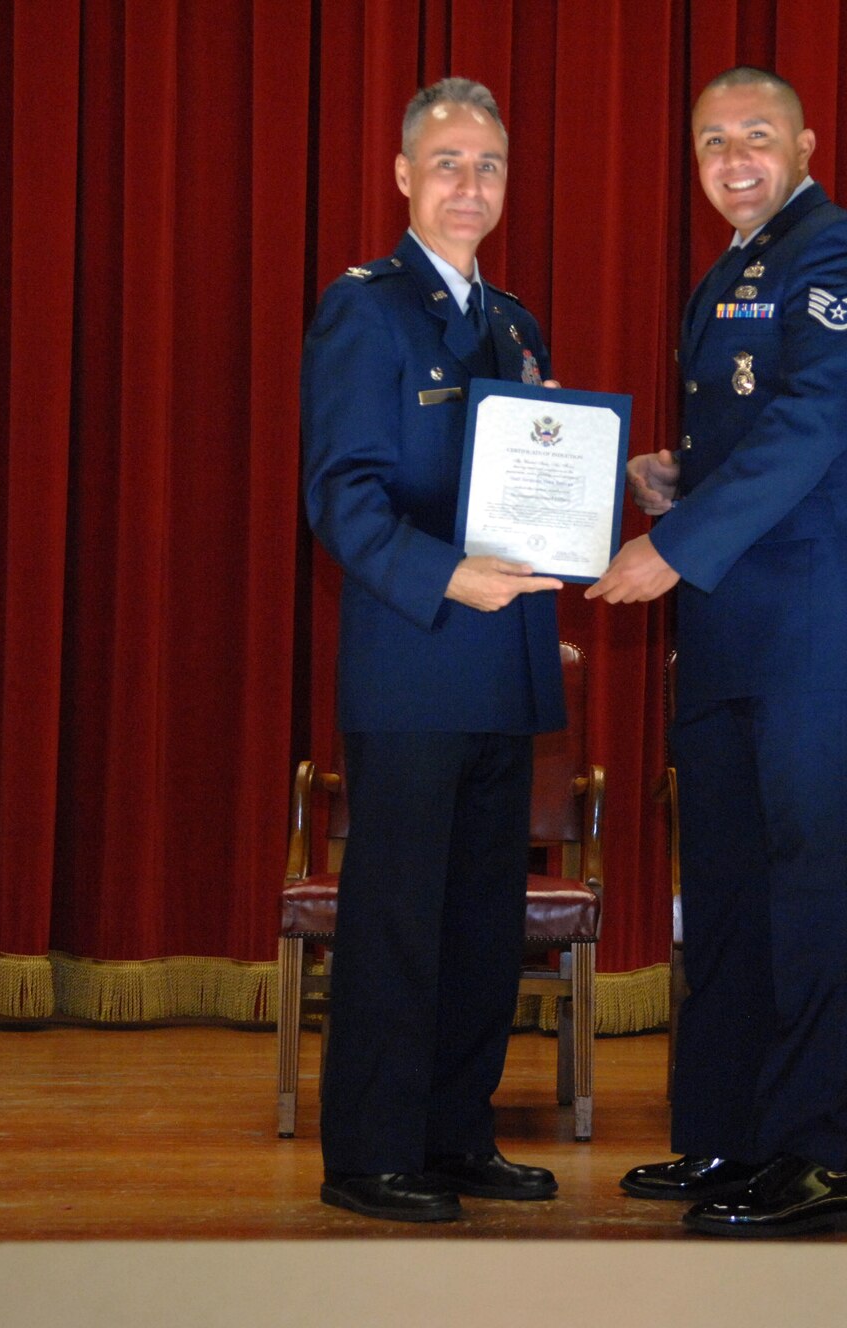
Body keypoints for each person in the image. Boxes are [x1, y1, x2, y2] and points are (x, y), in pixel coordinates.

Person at [588, 66, 847, 1237]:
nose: (733, 158)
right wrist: (683, 481)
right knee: (723, 900)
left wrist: (674, 540)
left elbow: (815, 418)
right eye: (712, 141)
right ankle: (727, 1133)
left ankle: (822, 1161)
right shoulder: (728, 268)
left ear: (804, 142)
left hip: (822, 637)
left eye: (756, 136)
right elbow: (757, 435)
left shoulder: (840, 251)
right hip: (733, 630)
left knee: (814, 898)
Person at [299, 77, 564, 1223]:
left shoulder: (514, 321)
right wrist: (445, 571)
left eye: (490, 166)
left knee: (478, 921)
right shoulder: (364, 307)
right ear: (403, 176)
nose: (470, 184)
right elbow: (341, 496)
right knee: (399, 916)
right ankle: (369, 1149)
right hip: (412, 658)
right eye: (448, 162)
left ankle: (456, 1132)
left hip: (503, 669)